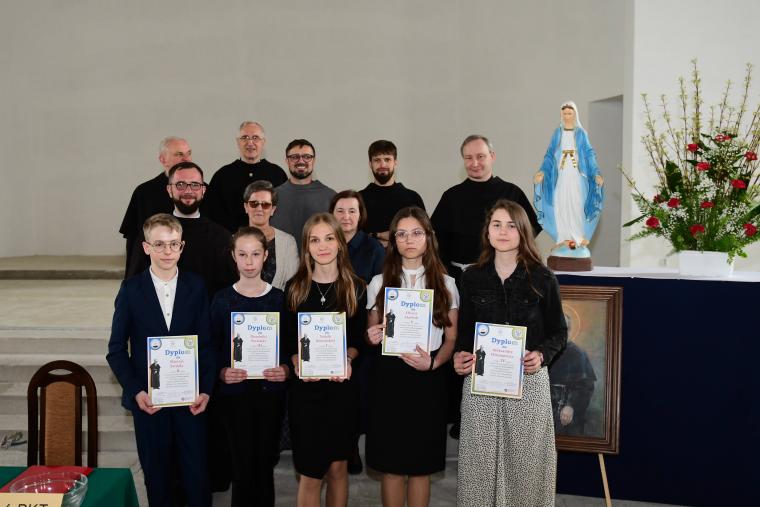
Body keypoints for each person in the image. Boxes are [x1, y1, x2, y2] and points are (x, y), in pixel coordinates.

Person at [453, 199, 567, 506]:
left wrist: (541, 355)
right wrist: (459, 356)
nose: (503, 232)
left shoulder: (543, 277)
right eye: (496, 225)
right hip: (481, 384)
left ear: (523, 231)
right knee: (479, 465)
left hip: (528, 382)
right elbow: (465, 333)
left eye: (511, 225)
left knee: (526, 467)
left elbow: (559, 332)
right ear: (487, 231)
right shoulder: (472, 277)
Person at [107, 213, 214, 507]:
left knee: (196, 477)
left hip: (190, 401)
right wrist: (136, 391)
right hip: (149, 403)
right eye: (159, 244)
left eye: (173, 244)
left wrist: (206, 390)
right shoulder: (130, 290)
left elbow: (206, 344)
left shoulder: (196, 286)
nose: (167, 251)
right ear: (146, 247)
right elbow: (116, 350)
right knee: (157, 479)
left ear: (182, 247)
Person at [365, 206, 459, 507]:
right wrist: (372, 336)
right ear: (393, 240)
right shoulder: (378, 282)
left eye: (417, 233)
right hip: (389, 379)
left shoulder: (446, 283)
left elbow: (451, 339)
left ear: (428, 237)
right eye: (402, 234)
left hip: (427, 379)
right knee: (391, 466)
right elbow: (371, 332)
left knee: (421, 466)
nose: (409, 240)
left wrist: (433, 362)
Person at [282, 213, 367, 507]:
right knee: (309, 474)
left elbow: (359, 342)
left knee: (337, 469)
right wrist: (295, 359)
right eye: (314, 240)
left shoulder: (356, 287)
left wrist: (348, 357)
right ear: (306, 246)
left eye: (329, 238)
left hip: (342, 392)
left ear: (340, 243)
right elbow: (287, 341)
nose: (323, 246)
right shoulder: (295, 288)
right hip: (306, 394)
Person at [210, 227, 290, 506]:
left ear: (265, 256)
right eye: (242, 254)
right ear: (233, 256)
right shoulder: (221, 300)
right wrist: (221, 372)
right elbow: (212, 348)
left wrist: (286, 369)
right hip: (235, 397)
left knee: (265, 463)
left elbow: (291, 347)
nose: (249, 261)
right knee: (241, 465)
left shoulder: (279, 299)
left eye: (255, 254)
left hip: (270, 395)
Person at [431, 135, 541, 284]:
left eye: (480, 156)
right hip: (459, 279)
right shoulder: (451, 196)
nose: (474, 163)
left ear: (492, 156)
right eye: (468, 158)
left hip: (504, 278)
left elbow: (529, 231)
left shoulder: (512, 192)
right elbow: (435, 239)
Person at [126, 162, 238, 298]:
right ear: (169, 190)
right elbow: (133, 285)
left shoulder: (221, 237)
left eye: (195, 184)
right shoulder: (153, 232)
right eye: (180, 184)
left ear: (203, 190)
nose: (188, 191)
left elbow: (231, 288)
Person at [534, 101, 604, 265]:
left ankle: (577, 237)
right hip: (560, 176)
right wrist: (542, 171)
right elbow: (550, 154)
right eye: (564, 113)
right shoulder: (557, 133)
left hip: (577, 176)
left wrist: (596, 173)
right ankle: (563, 237)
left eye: (569, 113)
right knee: (561, 203)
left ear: (575, 114)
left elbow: (589, 154)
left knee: (576, 203)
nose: (567, 116)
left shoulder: (581, 134)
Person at [120, 136, 192, 274]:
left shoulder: (202, 191)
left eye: (188, 153)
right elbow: (133, 239)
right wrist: (130, 277)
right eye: (179, 154)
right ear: (163, 160)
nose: (187, 159)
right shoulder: (144, 192)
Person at [204, 122, 288, 233]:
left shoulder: (277, 174)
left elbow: (284, 212)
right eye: (245, 138)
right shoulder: (222, 175)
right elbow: (212, 213)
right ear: (238, 142)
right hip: (231, 239)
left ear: (263, 142)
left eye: (255, 138)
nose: (250, 142)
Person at [359, 140, 425, 247]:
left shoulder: (412, 198)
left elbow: (424, 235)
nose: (382, 164)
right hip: (368, 257)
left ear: (395, 162)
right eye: (377, 160)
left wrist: (378, 236)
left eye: (387, 159)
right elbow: (352, 237)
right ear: (370, 164)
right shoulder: (358, 199)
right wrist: (384, 236)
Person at [270, 139, 336, 243]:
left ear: (314, 160)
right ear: (287, 161)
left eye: (307, 157)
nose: (301, 161)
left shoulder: (331, 197)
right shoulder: (271, 197)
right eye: (295, 157)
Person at [243, 180, 299, 290]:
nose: (259, 209)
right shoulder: (233, 241)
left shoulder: (288, 242)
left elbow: (293, 284)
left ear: (273, 209)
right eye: (254, 203)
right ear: (246, 207)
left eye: (265, 205)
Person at [330, 190, 385, 283]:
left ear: (360, 215)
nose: (346, 216)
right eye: (340, 211)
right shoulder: (324, 245)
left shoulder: (375, 249)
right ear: (332, 214)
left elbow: (381, 287)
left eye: (352, 211)